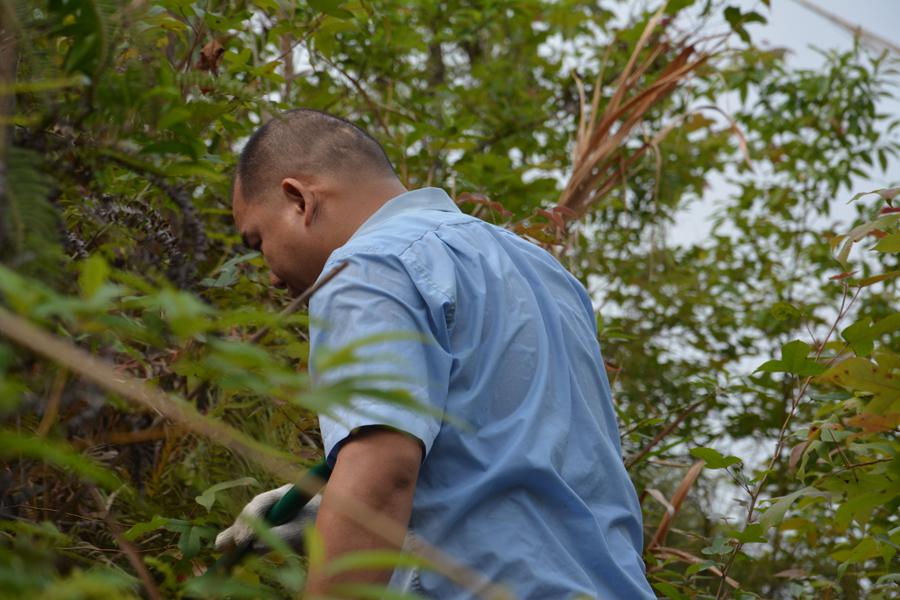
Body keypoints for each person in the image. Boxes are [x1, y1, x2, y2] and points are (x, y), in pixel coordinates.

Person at [216, 108, 654, 599]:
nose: (271, 275)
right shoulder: (543, 272)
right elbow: (521, 459)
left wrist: (356, 503)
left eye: (258, 242)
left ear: (299, 199)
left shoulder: (366, 266)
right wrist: (327, 512)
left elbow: (381, 481)